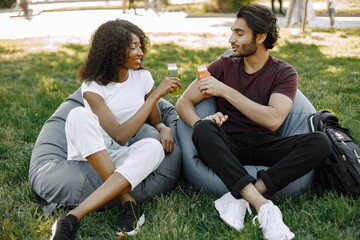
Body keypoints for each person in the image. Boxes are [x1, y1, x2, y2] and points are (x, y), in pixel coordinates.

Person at [175, 4, 331, 240]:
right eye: (232, 32)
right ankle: (263, 205)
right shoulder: (222, 66)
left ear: (260, 37)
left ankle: (240, 196)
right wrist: (201, 121)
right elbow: (182, 103)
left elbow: (273, 120)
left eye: (239, 33)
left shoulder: (284, 73)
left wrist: (225, 91)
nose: (231, 39)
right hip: (229, 146)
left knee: (320, 141)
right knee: (203, 129)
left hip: (266, 145)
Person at [50, 19, 181, 240]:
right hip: (89, 151)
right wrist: (157, 94)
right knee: (78, 115)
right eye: (132, 47)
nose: (140, 52)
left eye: (140, 45)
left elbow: (154, 119)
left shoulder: (143, 78)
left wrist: (163, 128)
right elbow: (120, 135)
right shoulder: (92, 86)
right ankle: (125, 203)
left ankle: (68, 218)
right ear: (112, 51)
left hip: (118, 154)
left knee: (153, 147)